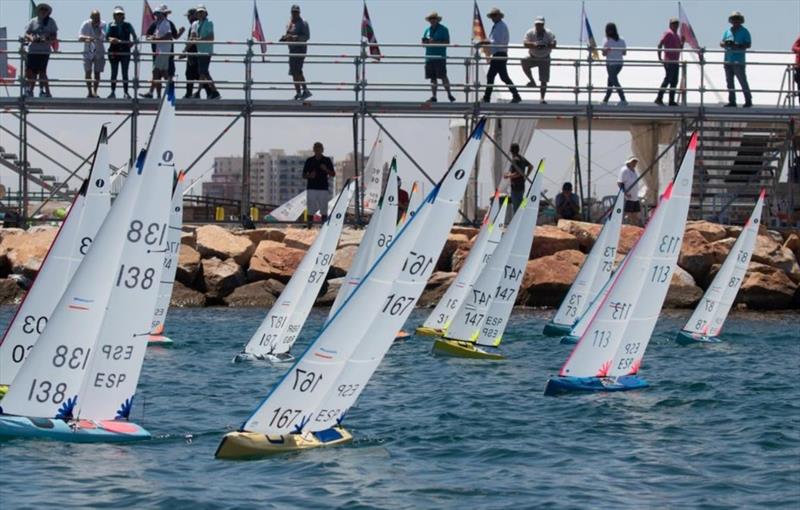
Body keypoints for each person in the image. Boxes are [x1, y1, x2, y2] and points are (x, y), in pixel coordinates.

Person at [141, 4, 183, 99]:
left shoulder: (166, 23)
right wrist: (154, 38)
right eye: (156, 13)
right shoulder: (158, 23)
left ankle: (152, 93)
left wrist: (156, 39)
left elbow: (169, 35)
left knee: (156, 71)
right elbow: (149, 35)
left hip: (163, 51)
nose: (156, 15)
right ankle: (167, 91)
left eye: (158, 13)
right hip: (161, 51)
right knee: (163, 72)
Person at [481, 7, 521, 104]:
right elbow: (495, 41)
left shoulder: (500, 26)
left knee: (491, 75)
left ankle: (487, 98)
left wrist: (485, 42)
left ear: (499, 16)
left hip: (499, 53)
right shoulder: (499, 26)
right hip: (499, 53)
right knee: (502, 77)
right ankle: (515, 95)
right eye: (492, 16)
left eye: (494, 16)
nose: (493, 18)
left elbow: (496, 41)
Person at [24, 3, 57, 97]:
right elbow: (26, 33)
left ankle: (46, 91)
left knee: (42, 71)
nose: (43, 11)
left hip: (44, 51)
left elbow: (54, 35)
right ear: (38, 11)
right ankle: (30, 91)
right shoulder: (32, 21)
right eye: (41, 9)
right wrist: (31, 38)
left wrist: (46, 38)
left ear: (48, 12)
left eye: (45, 10)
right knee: (31, 72)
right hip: (33, 50)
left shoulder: (51, 22)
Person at [422, 12, 455, 103]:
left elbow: (447, 42)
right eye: (431, 19)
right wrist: (425, 42)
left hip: (440, 57)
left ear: (437, 19)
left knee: (443, 76)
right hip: (429, 57)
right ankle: (434, 96)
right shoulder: (427, 30)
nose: (432, 20)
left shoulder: (444, 29)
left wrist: (435, 42)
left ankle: (449, 94)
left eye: (433, 18)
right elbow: (423, 44)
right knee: (432, 78)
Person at [720, 11, 752, 108]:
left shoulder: (745, 31)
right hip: (728, 60)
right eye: (734, 19)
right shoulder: (727, 31)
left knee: (742, 81)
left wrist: (737, 45)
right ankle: (732, 101)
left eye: (737, 19)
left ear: (740, 20)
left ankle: (748, 100)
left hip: (738, 60)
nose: (735, 21)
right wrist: (726, 43)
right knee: (729, 82)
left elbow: (748, 44)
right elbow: (721, 42)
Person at [521, 16, 556, 104]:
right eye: (537, 24)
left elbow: (554, 43)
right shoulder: (530, 32)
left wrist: (546, 45)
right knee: (524, 61)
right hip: (533, 56)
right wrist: (535, 45)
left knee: (543, 80)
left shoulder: (549, 33)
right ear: (534, 24)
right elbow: (525, 43)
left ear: (543, 24)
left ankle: (542, 98)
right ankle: (532, 81)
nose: (539, 26)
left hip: (545, 57)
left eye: (540, 24)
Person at [105, 6, 137, 98]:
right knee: (114, 73)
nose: (119, 16)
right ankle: (112, 92)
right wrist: (112, 39)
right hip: (114, 52)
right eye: (118, 14)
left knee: (125, 72)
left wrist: (132, 43)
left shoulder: (128, 25)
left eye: (121, 14)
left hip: (125, 52)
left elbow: (135, 37)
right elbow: (106, 37)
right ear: (114, 16)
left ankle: (126, 92)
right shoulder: (110, 25)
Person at [281, 5, 311, 100]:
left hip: (300, 49)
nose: (294, 14)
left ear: (299, 13)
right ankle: (298, 93)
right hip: (292, 50)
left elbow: (306, 37)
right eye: (293, 12)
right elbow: (287, 34)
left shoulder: (303, 23)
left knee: (298, 70)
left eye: (296, 12)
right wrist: (285, 38)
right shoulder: (290, 23)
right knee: (293, 72)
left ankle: (305, 90)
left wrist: (296, 38)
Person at [190, 5, 220, 99]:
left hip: (206, 51)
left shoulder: (209, 23)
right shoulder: (195, 24)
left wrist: (199, 39)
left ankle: (198, 92)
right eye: (198, 12)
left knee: (202, 72)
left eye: (202, 12)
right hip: (200, 51)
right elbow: (193, 36)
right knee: (204, 72)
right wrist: (195, 38)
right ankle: (214, 92)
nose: (200, 14)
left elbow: (211, 37)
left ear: (205, 13)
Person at [303, 142, 335, 226]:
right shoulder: (309, 160)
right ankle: (309, 226)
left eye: (319, 148)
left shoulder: (326, 160)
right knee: (310, 208)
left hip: (323, 188)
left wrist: (326, 170)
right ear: (313, 150)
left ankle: (324, 226)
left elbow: (333, 174)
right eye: (316, 148)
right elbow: (303, 175)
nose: (318, 150)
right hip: (312, 188)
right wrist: (310, 176)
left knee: (324, 209)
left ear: (322, 149)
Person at [656, 17, 683, 106]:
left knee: (674, 81)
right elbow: (660, 44)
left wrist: (683, 41)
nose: (676, 25)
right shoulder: (668, 33)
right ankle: (659, 98)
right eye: (674, 23)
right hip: (669, 61)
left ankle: (671, 100)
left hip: (675, 61)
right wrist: (660, 57)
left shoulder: (677, 35)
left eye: (677, 24)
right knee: (668, 79)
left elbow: (680, 48)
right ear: (670, 24)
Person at [601, 22, 627, 106]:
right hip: (619, 64)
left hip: (611, 64)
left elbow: (604, 54)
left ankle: (623, 99)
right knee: (611, 81)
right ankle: (605, 100)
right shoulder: (622, 40)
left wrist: (608, 50)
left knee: (614, 81)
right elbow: (624, 53)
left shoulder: (607, 41)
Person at [504, 143, 533, 212]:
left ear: (511, 151)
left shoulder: (515, 160)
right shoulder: (521, 158)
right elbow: (530, 166)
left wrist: (508, 176)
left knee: (516, 207)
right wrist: (526, 175)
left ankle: (517, 221)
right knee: (519, 205)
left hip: (516, 186)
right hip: (521, 185)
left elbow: (518, 173)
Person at [179, 7, 199, 98]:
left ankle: (190, 94)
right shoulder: (196, 24)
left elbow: (192, 40)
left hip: (194, 54)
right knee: (193, 74)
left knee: (193, 74)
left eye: (189, 16)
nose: (188, 18)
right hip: (192, 53)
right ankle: (192, 93)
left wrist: (184, 51)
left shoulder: (195, 25)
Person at [617, 156, 641, 225]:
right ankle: (628, 226)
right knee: (628, 214)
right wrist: (625, 193)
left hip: (635, 197)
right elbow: (619, 182)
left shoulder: (634, 171)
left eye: (635, 162)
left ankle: (634, 226)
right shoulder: (625, 170)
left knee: (636, 214)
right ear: (629, 162)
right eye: (633, 162)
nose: (635, 163)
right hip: (628, 197)